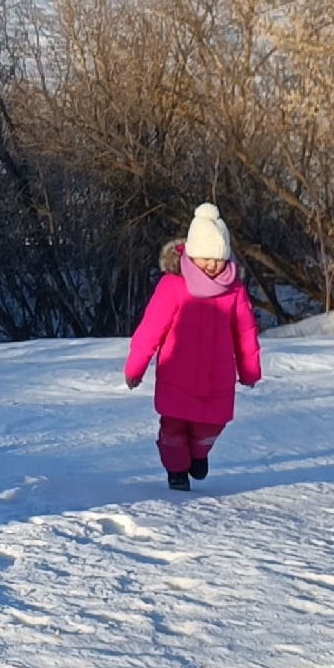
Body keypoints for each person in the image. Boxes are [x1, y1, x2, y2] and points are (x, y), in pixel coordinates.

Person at [124, 203, 263, 492]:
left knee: (211, 424)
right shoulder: (173, 285)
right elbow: (150, 330)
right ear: (191, 253)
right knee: (173, 429)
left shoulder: (234, 290)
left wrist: (249, 371)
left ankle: (199, 454)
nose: (212, 265)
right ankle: (176, 472)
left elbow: (245, 332)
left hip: (217, 377)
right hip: (177, 374)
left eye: (218, 258)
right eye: (205, 258)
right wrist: (135, 368)